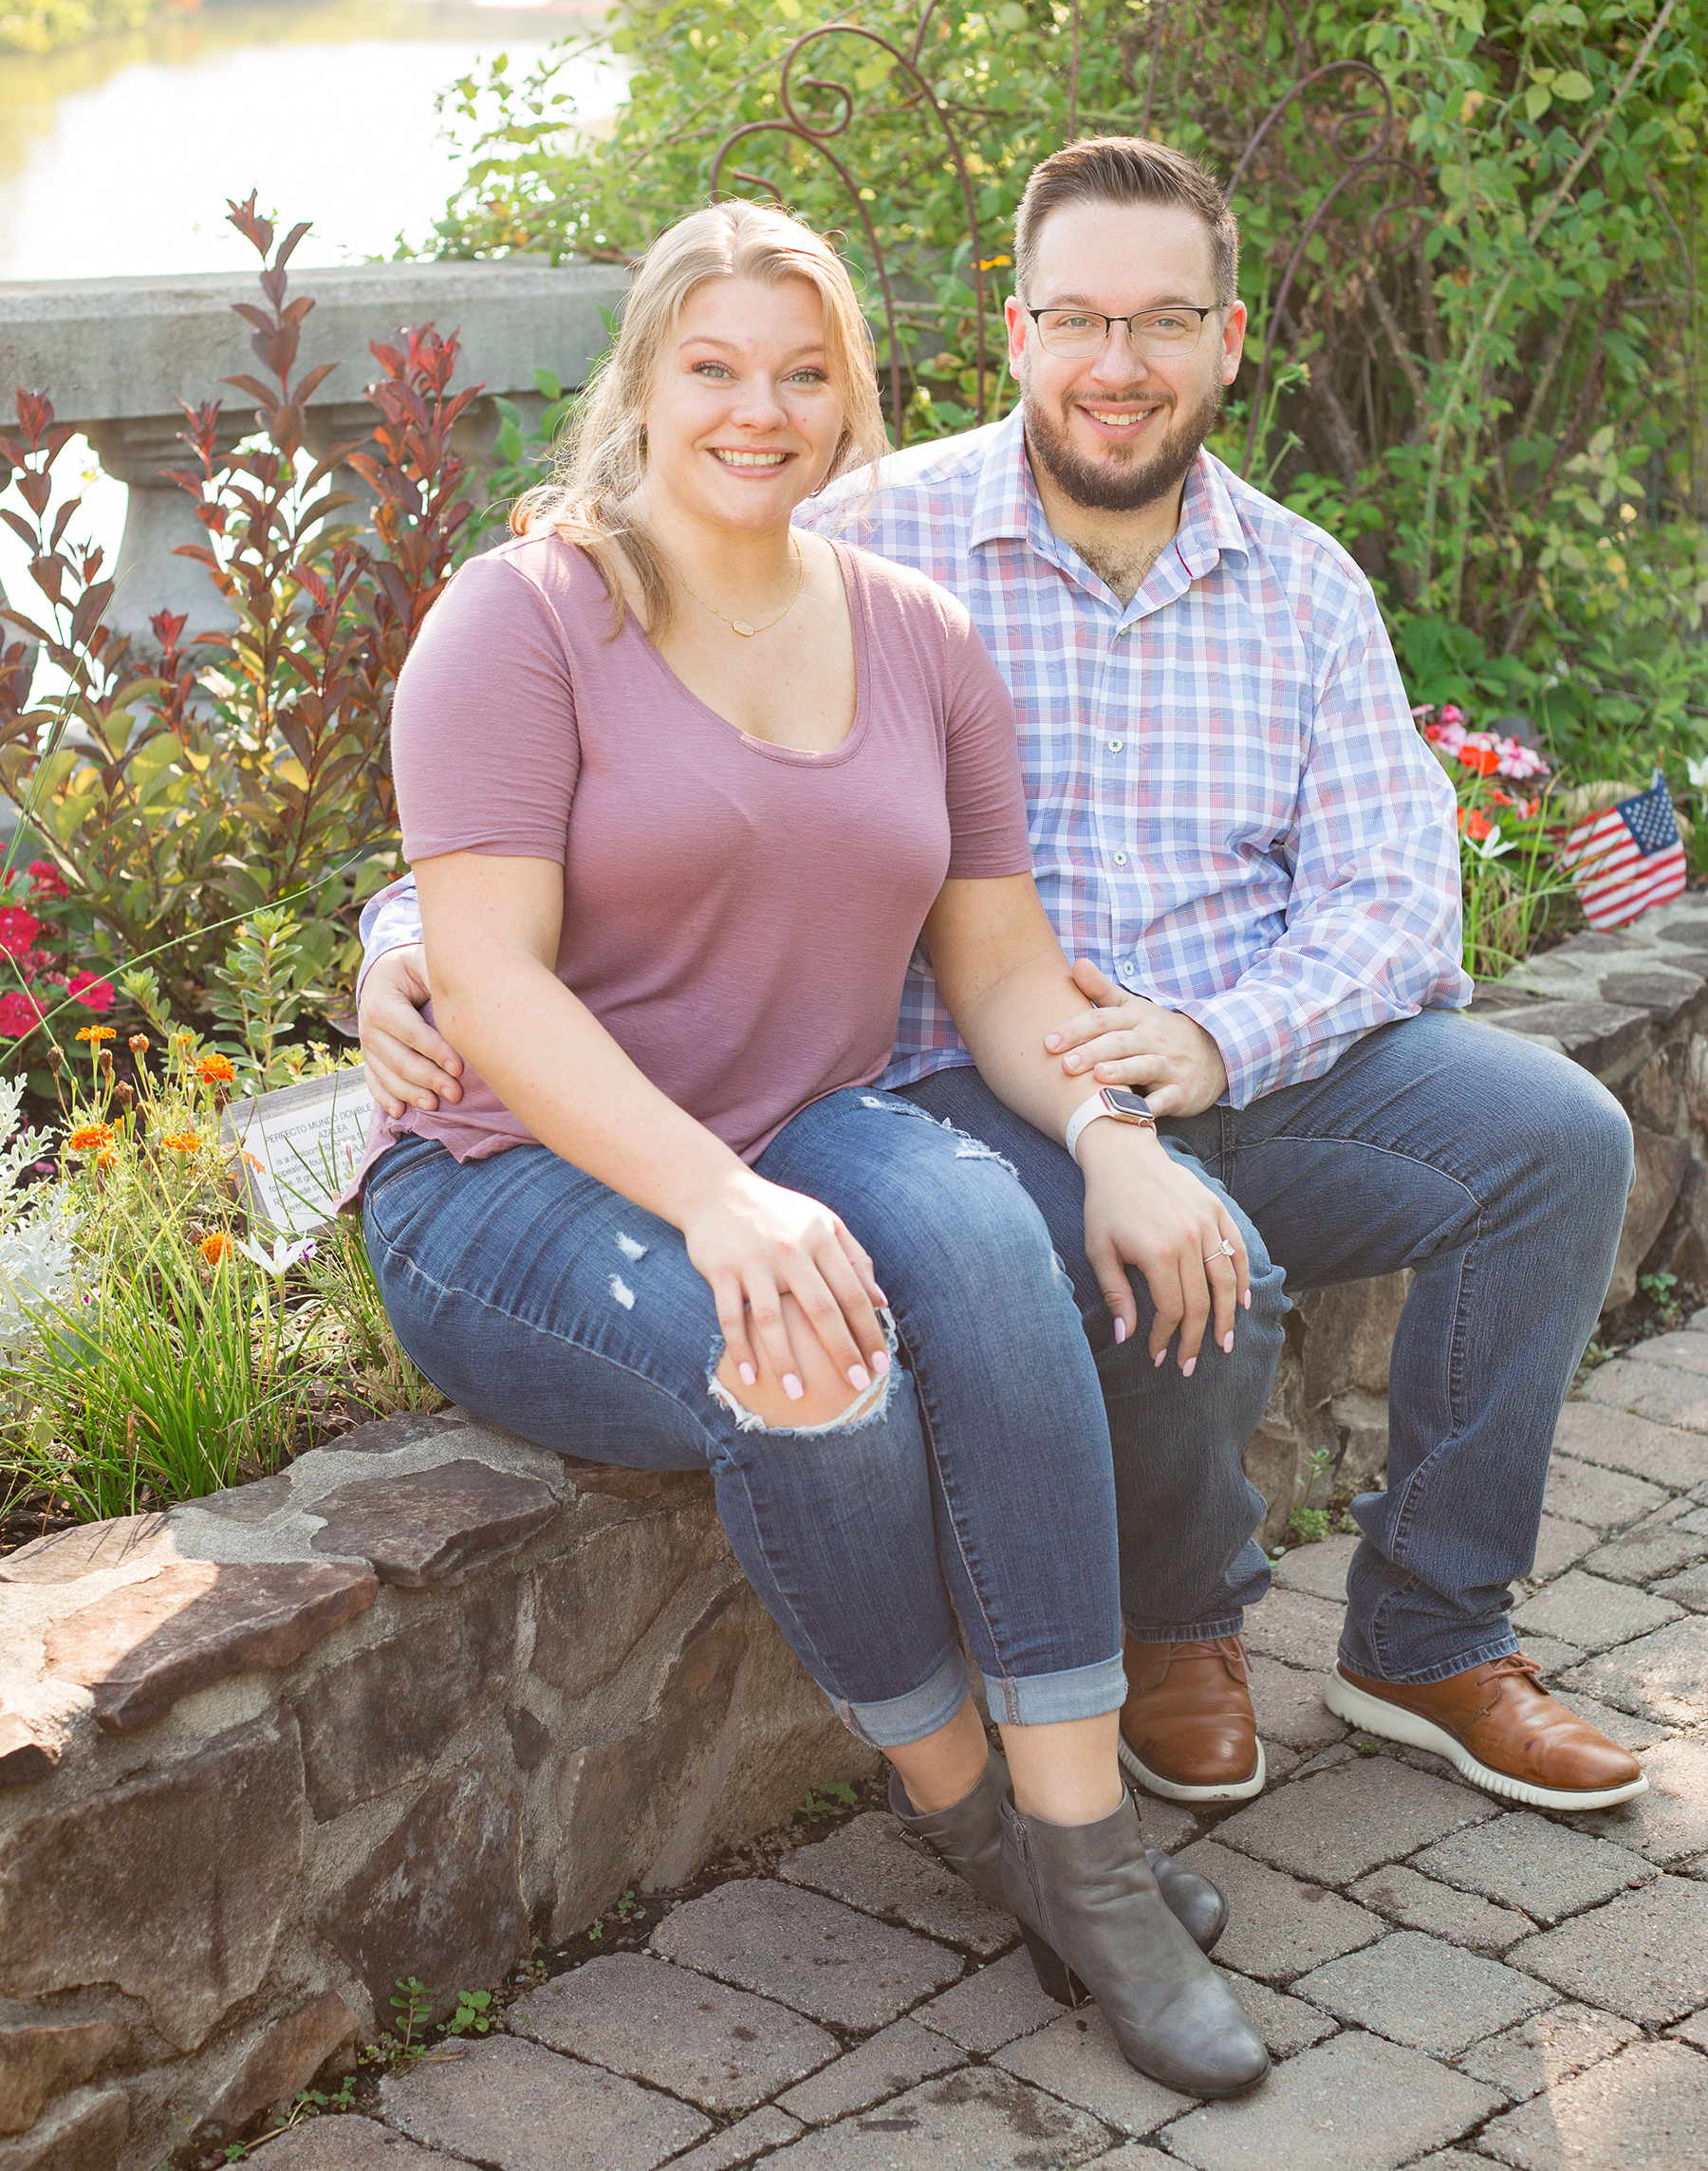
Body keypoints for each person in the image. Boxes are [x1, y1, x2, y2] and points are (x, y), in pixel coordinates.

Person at [359, 138, 1646, 1820]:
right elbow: (602, 707)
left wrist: (1209, 1040)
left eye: (1166, 322)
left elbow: (1403, 908)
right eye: (1082, 319)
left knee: (1560, 1139)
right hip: (966, 1078)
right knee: (1213, 1271)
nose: (1122, 365)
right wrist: (403, 934)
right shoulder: (852, 517)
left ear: (1231, 339)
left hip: (1239, 1059)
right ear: (1015, 327)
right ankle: (1178, 1629)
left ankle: (1429, 1634)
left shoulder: (1307, 589)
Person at [345, 197, 1271, 2100]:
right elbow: (494, 987)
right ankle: (975, 1827)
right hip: (514, 1179)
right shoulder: (523, 619)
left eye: (804, 373)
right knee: (817, 1380)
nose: (758, 410)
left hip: (798, 1124)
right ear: (646, 381)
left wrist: (1106, 1137)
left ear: (852, 399)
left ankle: (1085, 1852)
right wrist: (714, 1199)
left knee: (1004, 1255)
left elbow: (1000, 961)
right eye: (716, 368)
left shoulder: (921, 639)